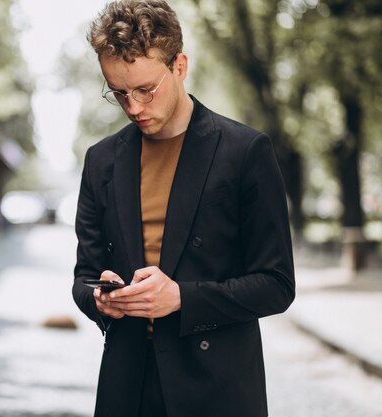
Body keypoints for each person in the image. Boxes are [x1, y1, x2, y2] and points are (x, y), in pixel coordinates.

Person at [72, 1, 295, 416]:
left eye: (145, 89)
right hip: (127, 388)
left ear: (179, 67)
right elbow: (83, 277)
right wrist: (100, 299)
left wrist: (181, 299)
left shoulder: (245, 152)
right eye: (118, 92)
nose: (134, 106)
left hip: (217, 388)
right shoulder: (101, 160)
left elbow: (277, 284)